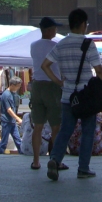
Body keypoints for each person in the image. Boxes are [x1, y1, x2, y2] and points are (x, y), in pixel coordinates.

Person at [42, 8, 102, 181]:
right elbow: (99, 70)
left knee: (65, 131)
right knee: (87, 131)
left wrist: (58, 81)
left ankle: (55, 159)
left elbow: (45, 65)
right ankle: (83, 168)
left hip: (68, 96)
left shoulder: (61, 44)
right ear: (84, 24)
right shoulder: (88, 44)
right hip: (87, 97)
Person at [29, 17, 63, 171]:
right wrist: (60, 81)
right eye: (54, 28)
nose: (56, 31)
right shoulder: (56, 46)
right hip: (52, 86)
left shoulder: (33, 46)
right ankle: (55, 160)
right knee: (56, 126)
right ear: (49, 30)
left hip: (36, 86)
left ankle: (36, 161)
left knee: (38, 126)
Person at [0, 76, 25, 154]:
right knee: (4, 142)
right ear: (12, 85)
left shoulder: (12, 94)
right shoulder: (6, 95)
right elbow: (9, 110)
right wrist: (18, 118)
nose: (18, 88)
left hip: (11, 121)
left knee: (18, 140)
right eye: (18, 86)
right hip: (6, 121)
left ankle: (22, 153)